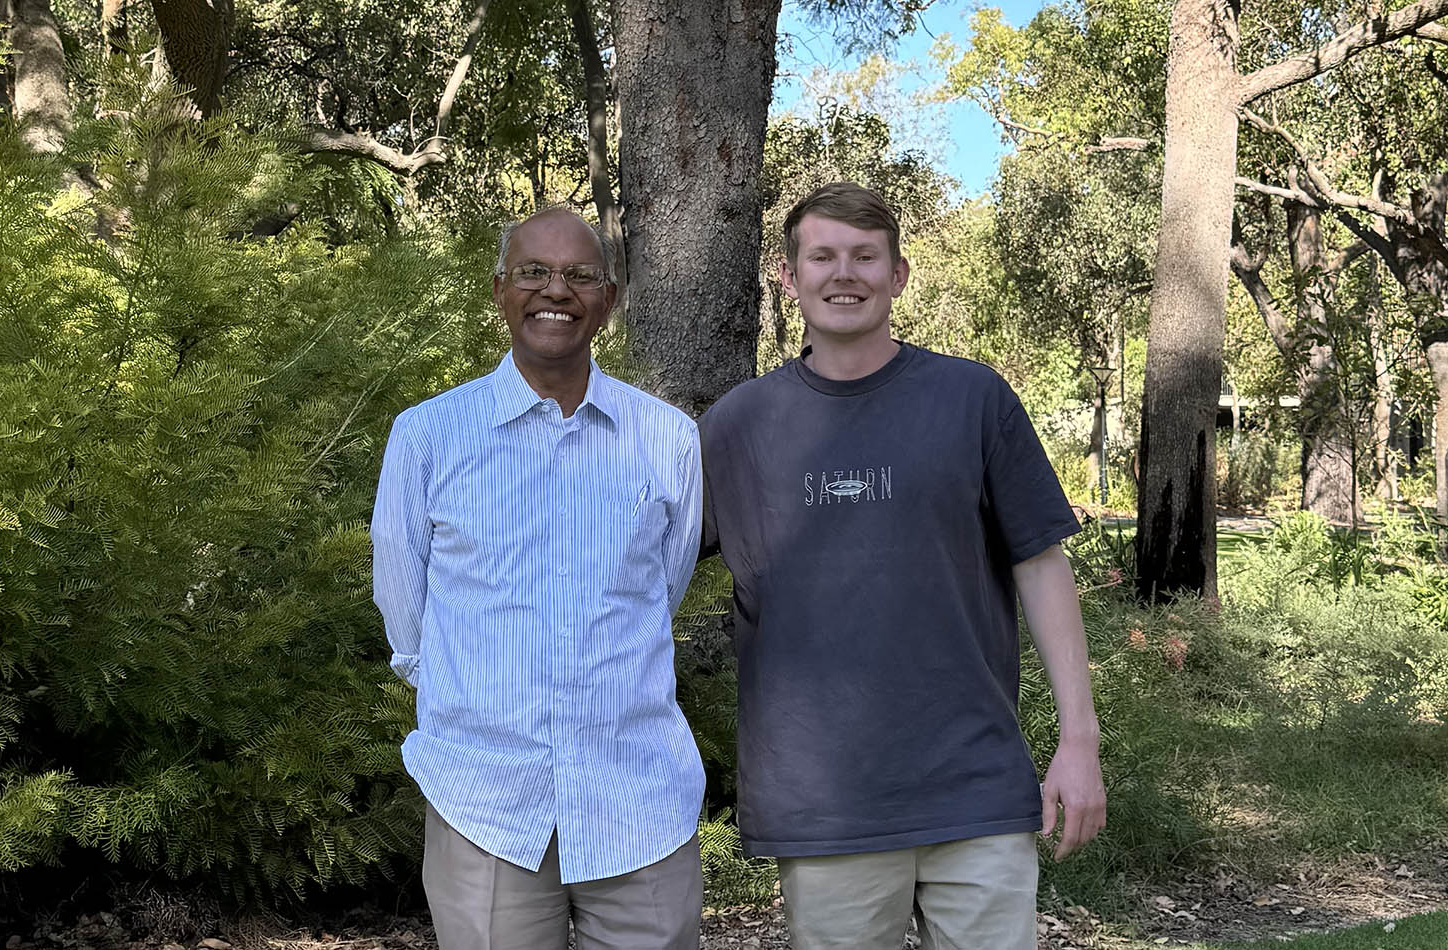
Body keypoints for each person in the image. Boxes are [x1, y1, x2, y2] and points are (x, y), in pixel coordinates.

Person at [698, 183, 1106, 949]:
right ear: (788, 278)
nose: (842, 273)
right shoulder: (739, 426)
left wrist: (1079, 743)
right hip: (824, 802)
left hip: (975, 787)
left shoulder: (971, 398)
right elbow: (643, 569)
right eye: (821, 256)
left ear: (899, 275)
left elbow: (1042, 566)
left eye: (864, 256)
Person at [372, 206, 705, 950]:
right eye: (534, 272)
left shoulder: (669, 440)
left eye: (581, 275)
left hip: (637, 802)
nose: (557, 290)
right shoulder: (427, 437)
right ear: (500, 289)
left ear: (609, 301)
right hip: (486, 804)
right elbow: (406, 611)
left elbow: (662, 588)